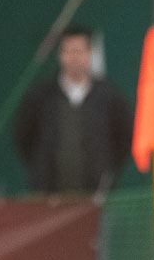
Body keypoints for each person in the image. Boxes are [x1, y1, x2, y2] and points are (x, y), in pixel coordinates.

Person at [13, 25, 133, 196]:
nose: (74, 58)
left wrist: (105, 173)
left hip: (96, 197)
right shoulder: (41, 96)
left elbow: (124, 139)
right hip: (49, 197)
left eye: (79, 51)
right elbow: (23, 137)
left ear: (90, 54)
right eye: (69, 51)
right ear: (60, 55)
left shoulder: (109, 96)